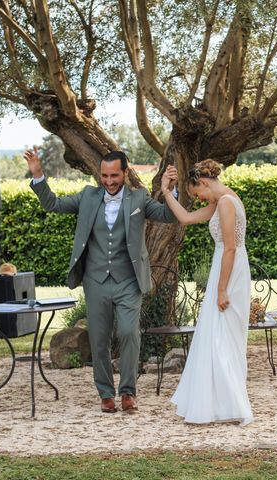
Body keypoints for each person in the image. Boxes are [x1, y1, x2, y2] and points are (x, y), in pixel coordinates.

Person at [24, 148, 176, 413]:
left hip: (128, 280)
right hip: (95, 280)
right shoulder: (88, 196)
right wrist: (38, 174)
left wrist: (169, 191)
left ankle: (128, 391)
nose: (109, 181)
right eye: (104, 176)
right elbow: (53, 205)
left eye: (114, 175)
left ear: (125, 172)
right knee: (99, 339)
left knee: (129, 332)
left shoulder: (139, 198)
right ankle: (106, 393)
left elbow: (168, 216)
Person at [160, 160, 253, 425]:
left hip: (230, 271)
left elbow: (231, 248)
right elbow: (186, 219)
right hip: (224, 267)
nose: (198, 199)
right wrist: (167, 192)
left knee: (222, 337)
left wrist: (222, 289)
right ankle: (221, 405)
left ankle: (230, 405)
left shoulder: (225, 202)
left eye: (196, 193)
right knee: (217, 335)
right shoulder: (223, 199)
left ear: (202, 182)